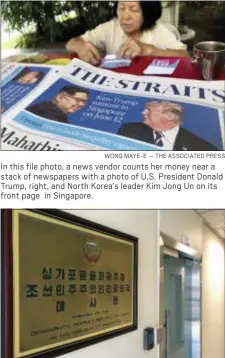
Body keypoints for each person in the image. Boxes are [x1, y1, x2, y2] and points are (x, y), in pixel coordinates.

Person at [66, 1, 189, 66]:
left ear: (147, 13)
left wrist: (150, 50)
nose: (125, 16)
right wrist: (79, 46)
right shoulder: (109, 28)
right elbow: (71, 43)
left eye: (133, 9)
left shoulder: (159, 31)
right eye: (121, 8)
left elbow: (185, 56)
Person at [117, 101, 218, 151]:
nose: (143, 112)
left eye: (149, 110)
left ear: (170, 116)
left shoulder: (203, 148)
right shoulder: (128, 130)